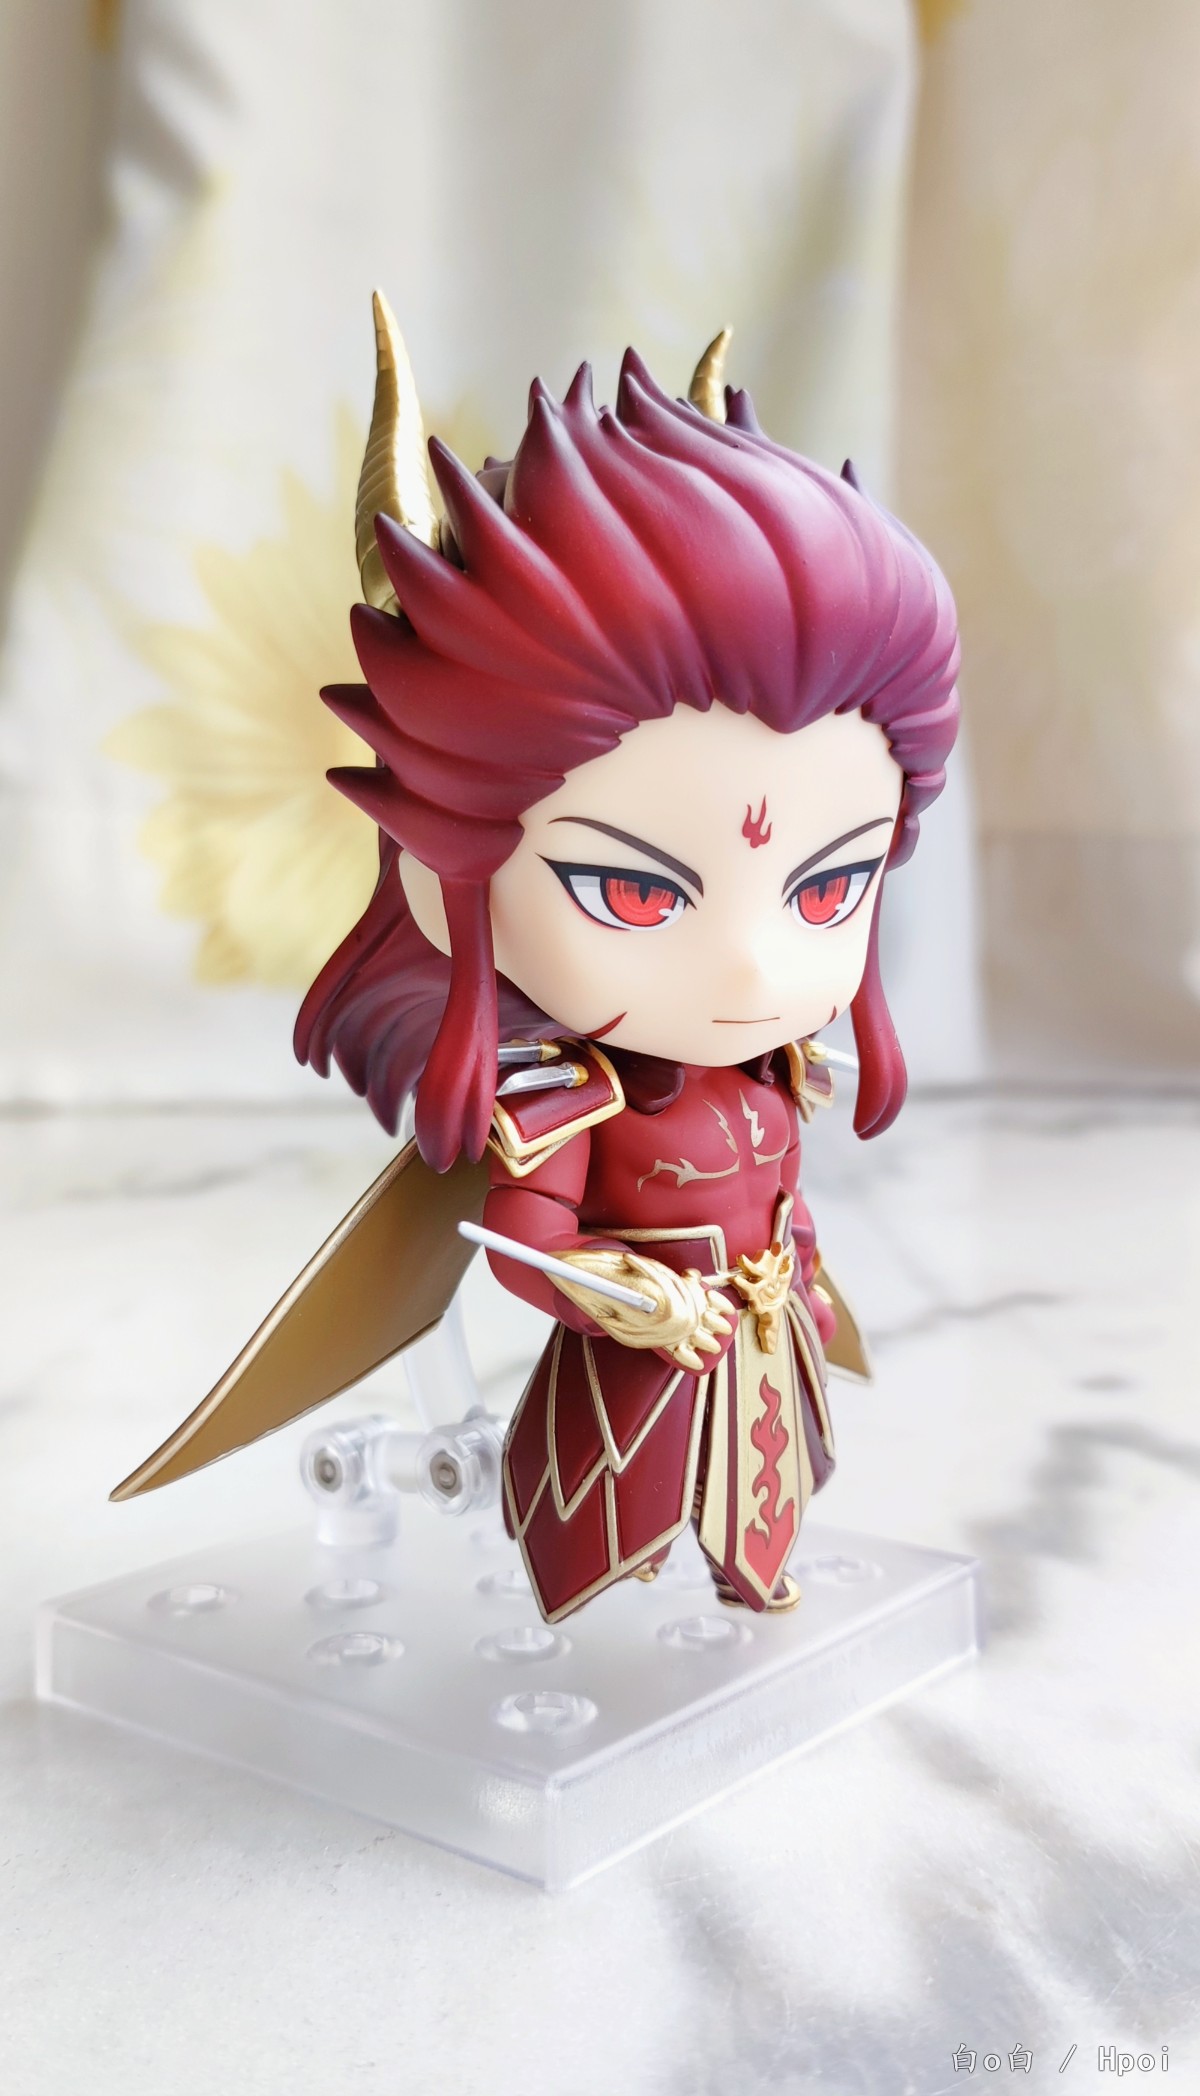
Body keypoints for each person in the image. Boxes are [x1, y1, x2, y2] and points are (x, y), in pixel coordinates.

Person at [294, 303, 961, 1623]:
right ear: (441, 868)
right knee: (611, 1530)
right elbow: (524, 1243)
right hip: (636, 1374)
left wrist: (799, 1272)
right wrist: (625, 1301)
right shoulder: (564, 1098)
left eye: (830, 886)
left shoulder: (774, 1067)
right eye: (636, 890)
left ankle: (753, 1573)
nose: (752, 965)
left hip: (756, 1350)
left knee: (764, 1503)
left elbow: (784, 1194)